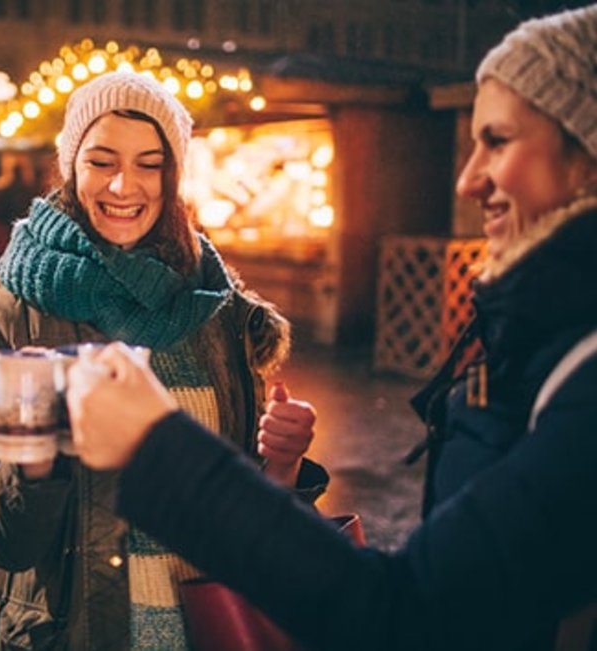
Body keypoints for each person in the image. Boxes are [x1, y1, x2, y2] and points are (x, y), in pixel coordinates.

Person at [66, 7, 597, 651]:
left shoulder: (577, 363)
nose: (467, 176)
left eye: (500, 140)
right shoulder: (535, 326)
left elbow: (406, 613)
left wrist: (160, 447)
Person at [0, 71, 327, 649]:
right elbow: (6, 544)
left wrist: (282, 466)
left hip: (211, 628)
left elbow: (250, 514)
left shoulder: (218, 310)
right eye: (101, 161)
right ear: (70, 166)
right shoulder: (8, 318)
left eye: (150, 164)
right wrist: (36, 453)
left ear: (174, 175)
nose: (123, 185)